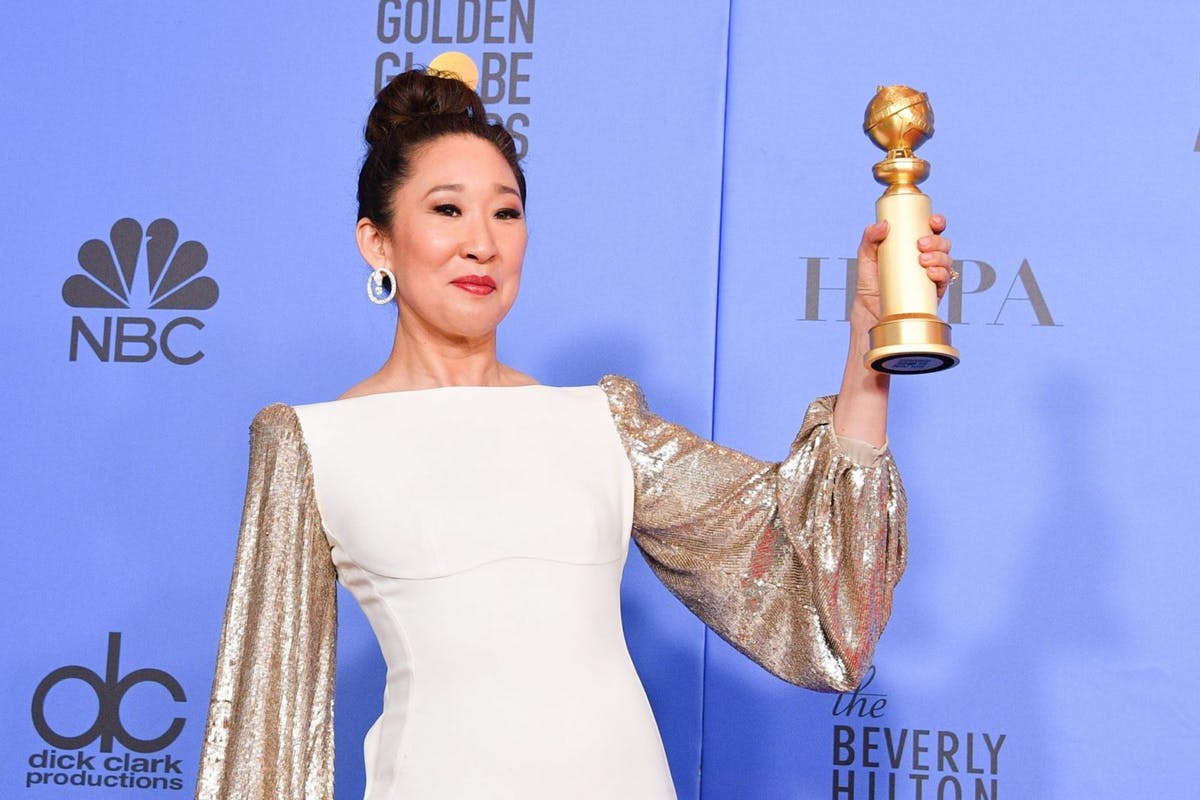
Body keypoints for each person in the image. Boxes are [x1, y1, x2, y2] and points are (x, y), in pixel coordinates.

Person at [194, 69, 954, 800]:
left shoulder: (603, 423)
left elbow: (811, 574)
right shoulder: (314, 444)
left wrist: (869, 338)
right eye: (447, 210)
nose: (483, 243)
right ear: (377, 242)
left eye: (507, 211)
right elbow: (266, 729)